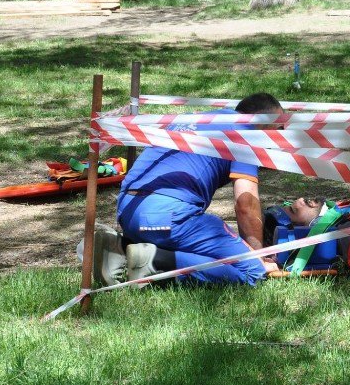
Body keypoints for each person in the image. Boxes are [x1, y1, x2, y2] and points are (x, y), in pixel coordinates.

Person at [92, 93, 284, 286]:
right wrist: (257, 255)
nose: (279, 138)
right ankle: (154, 262)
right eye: (279, 129)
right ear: (262, 120)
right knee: (253, 272)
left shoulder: (198, 119)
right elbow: (246, 204)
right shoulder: (246, 133)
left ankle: (120, 249)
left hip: (127, 211)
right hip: (167, 216)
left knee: (206, 251)